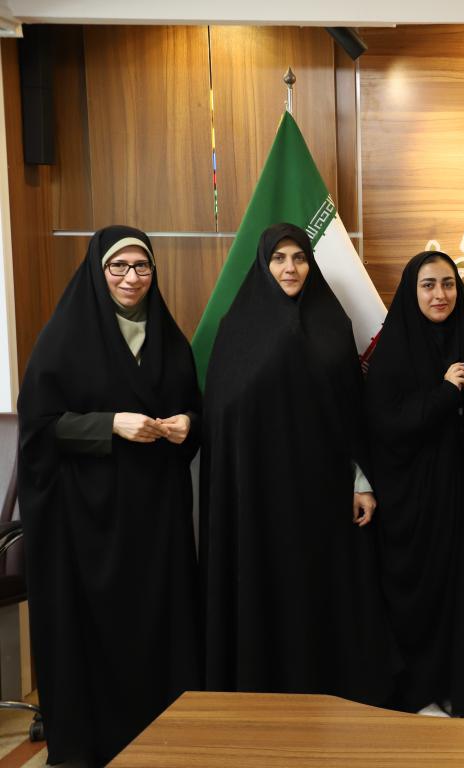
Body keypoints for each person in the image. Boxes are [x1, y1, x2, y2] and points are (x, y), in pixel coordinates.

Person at [17, 226, 201, 767]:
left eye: (141, 267)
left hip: (157, 514)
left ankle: (165, 738)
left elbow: (196, 407)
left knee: (159, 625)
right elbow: (39, 427)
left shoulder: (169, 338)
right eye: (118, 267)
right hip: (89, 519)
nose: (131, 278)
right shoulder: (64, 337)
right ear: (98, 273)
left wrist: (188, 424)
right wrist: (110, 424)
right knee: (98, 632)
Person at [200, 222, 397, 707]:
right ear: (263, 264)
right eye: (279, 258)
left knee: (320, 595)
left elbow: (352, 414)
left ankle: (328, 697)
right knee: (266, 594)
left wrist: (361, 482)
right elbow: (222, 415)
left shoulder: (333, 324)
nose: (290, 268)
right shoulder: (236, 328)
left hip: (321, 495)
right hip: (258, 498)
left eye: (299, 258)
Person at [365, 251, 464, 718]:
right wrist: (446, 391)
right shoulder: (393, 351)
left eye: (448, 284)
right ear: (412, 292)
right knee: (419, 600)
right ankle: (419, 692)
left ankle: (457, 691)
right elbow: (388, 425)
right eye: (428, 285)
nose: (440, 295)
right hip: (414, 506)